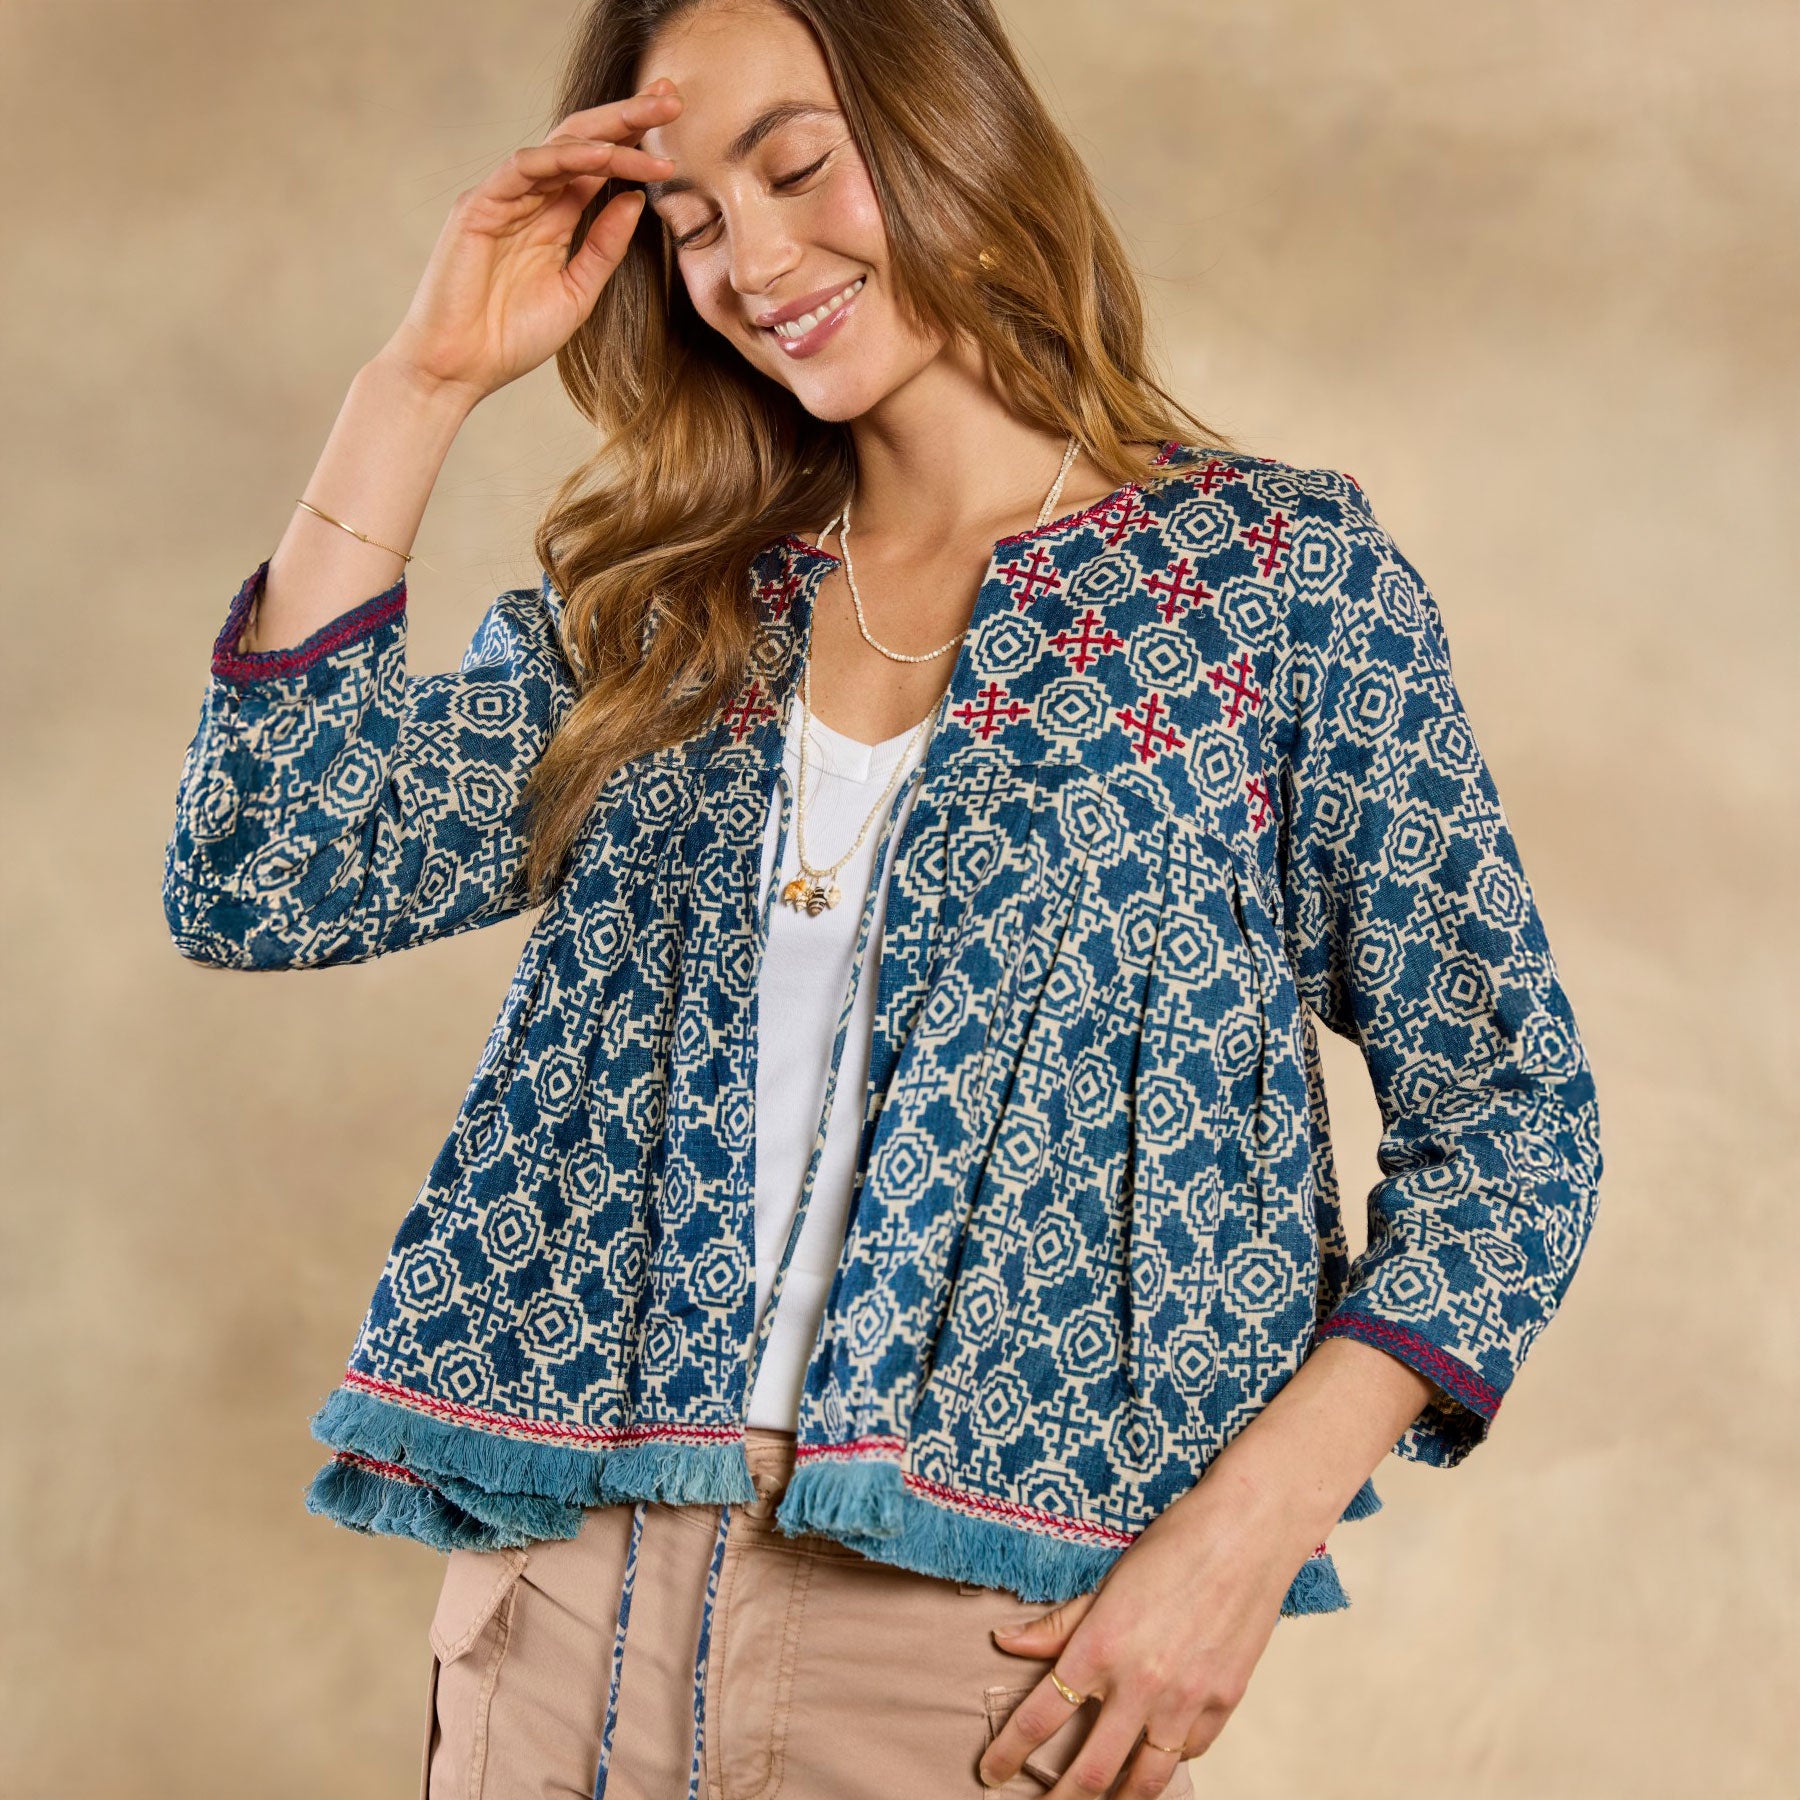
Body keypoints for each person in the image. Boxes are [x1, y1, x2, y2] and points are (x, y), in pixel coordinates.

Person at [160, 0, 1605, 1795]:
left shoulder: (1271, 586)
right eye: (690, 221)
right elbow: (262, 870)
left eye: (795, 167)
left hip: (968, 1649)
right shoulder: (673, 605)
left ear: (953, 133)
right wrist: (418, 384)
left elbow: (1515, 1123)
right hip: (559, 1606)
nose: (754, 263)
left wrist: (1241, 1542)